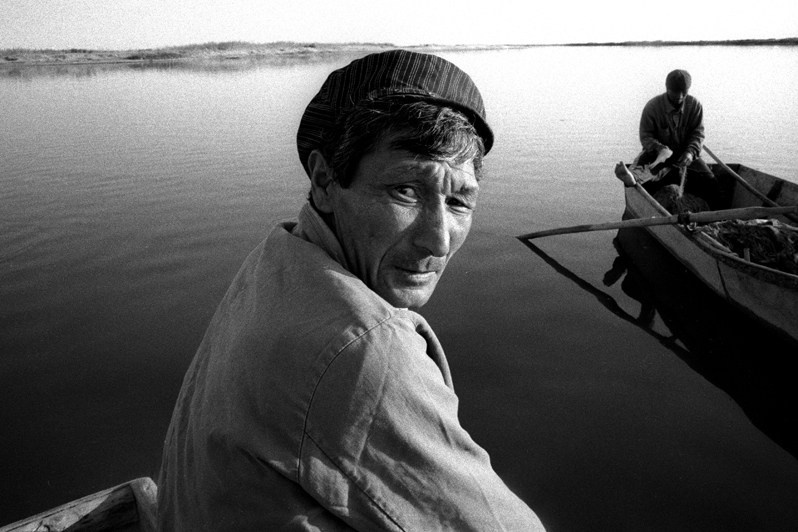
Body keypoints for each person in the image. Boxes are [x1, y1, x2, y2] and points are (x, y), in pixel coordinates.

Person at [156, 49, 546, 531]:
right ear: (324, 181)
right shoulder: (364, 348)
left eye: (459, 199)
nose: (439, 239)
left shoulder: (278, 259)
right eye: (406, 189)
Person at [617, 69, 720, 209]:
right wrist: (659, 148)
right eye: (675, 91)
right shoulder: (652, 106)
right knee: (642, 173)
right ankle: (632, 179)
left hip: (686, 157)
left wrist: (690, 152)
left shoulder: (695, 105)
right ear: (667, 89)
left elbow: (698, 133)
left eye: (684, 92)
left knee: (711, 182)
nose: (680, 96)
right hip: (657, 155)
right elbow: (645, 136)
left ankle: (713, 214)